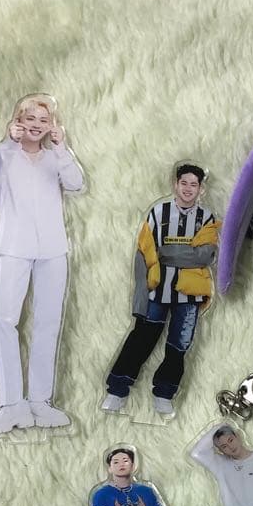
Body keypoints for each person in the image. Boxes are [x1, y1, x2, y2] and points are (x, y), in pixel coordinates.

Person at [0, 94, 85, 434]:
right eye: (30, 118)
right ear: (18, 121)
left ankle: (40, 401)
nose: (37, 125)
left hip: (53, 250)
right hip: (12, 248)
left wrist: (62, 148)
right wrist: (9, 144)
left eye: (44, 120)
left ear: (52, 125)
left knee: (48, 323)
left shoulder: (56, 158)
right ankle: (11, 405)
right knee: (2, 319)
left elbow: (76, 184)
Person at [102, 163, 219, 416]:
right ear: (175, 184)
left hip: (189, 294)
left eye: (194, 184)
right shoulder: (158, 212)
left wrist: (166, 253)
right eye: (184, 183)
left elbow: (205, 256)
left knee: (179, 344)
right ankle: (117, 389)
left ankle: (164, 393)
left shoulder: (206, 218)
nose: (188, 188)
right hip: (157, 289)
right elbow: (145, 252)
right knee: (141, 338)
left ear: (201, 189)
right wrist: (140, 295)